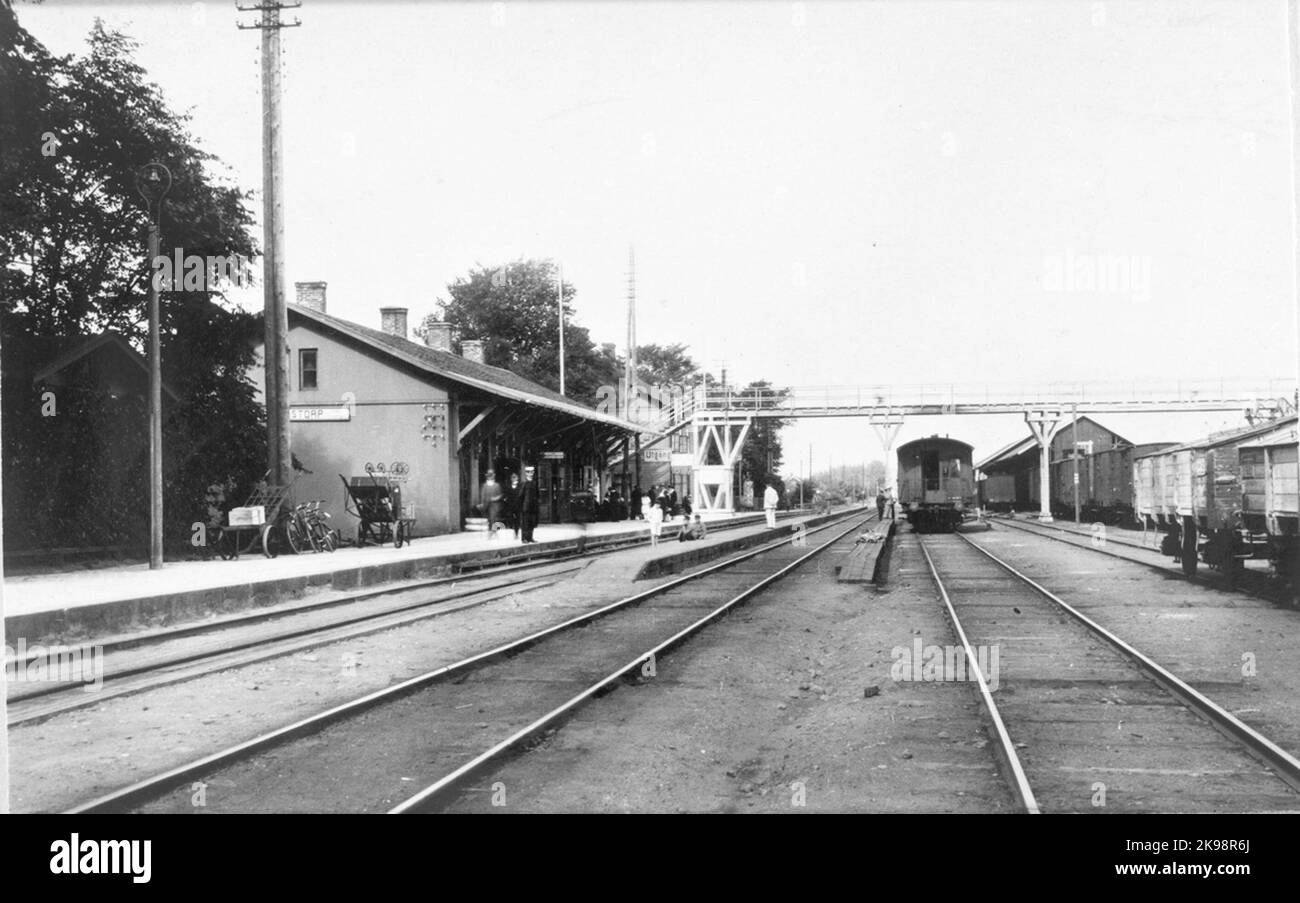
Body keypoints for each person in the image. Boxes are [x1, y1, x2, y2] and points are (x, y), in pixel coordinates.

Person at [519, 465, 539, 543]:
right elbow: (520, 496)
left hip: (533, 507)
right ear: (526, 473)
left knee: (532, 523)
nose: (530, 474)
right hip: (526, 507)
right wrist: (522, 506)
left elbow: (537, 495)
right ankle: (524, 538)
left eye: (532, 472)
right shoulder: (524, 483)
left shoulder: (534, 483)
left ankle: (530, 537)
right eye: (528, 472)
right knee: (525, 523)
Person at [482, 470, 503, 540]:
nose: (490, 477)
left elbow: (500, 495)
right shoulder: (485, 486)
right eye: (489, 475)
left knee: (494, 519)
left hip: (495, 505)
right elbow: (483, 495)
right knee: (489, 519)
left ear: (493, 476)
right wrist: (482, 503)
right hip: (487, 505)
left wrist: (495, 498)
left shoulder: (497, 485)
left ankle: (494, 532)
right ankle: (490, 533)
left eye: (491, 475)